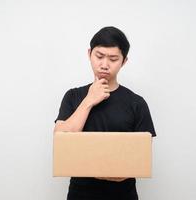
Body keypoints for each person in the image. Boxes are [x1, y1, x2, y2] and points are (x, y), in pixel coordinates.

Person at [54, 26, 156, 200]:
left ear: (124, 61)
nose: (104, 65)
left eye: (113, 59)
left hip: (123, 194)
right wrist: (89, 100)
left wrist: (116, 171)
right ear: (89, 54)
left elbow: (140, 157)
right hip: (81, 194)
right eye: (99, 56)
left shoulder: (137, 103)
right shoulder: (73, 96)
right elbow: (61, 141)